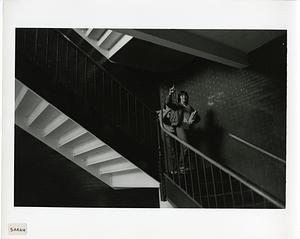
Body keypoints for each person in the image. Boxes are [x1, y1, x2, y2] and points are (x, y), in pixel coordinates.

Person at [165, 85, 200, 172]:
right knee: (185, 146)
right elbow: (168, 103)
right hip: (180, 127)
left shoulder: (189, 107)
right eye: (182, 96)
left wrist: (194, 119)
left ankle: (185, 166)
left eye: (185, 96)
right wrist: (170, 94)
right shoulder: (177, 105)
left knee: (187, 147)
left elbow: (197, 118)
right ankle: (182, 166)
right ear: (180, 97)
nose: (184, 97)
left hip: (189, 127)